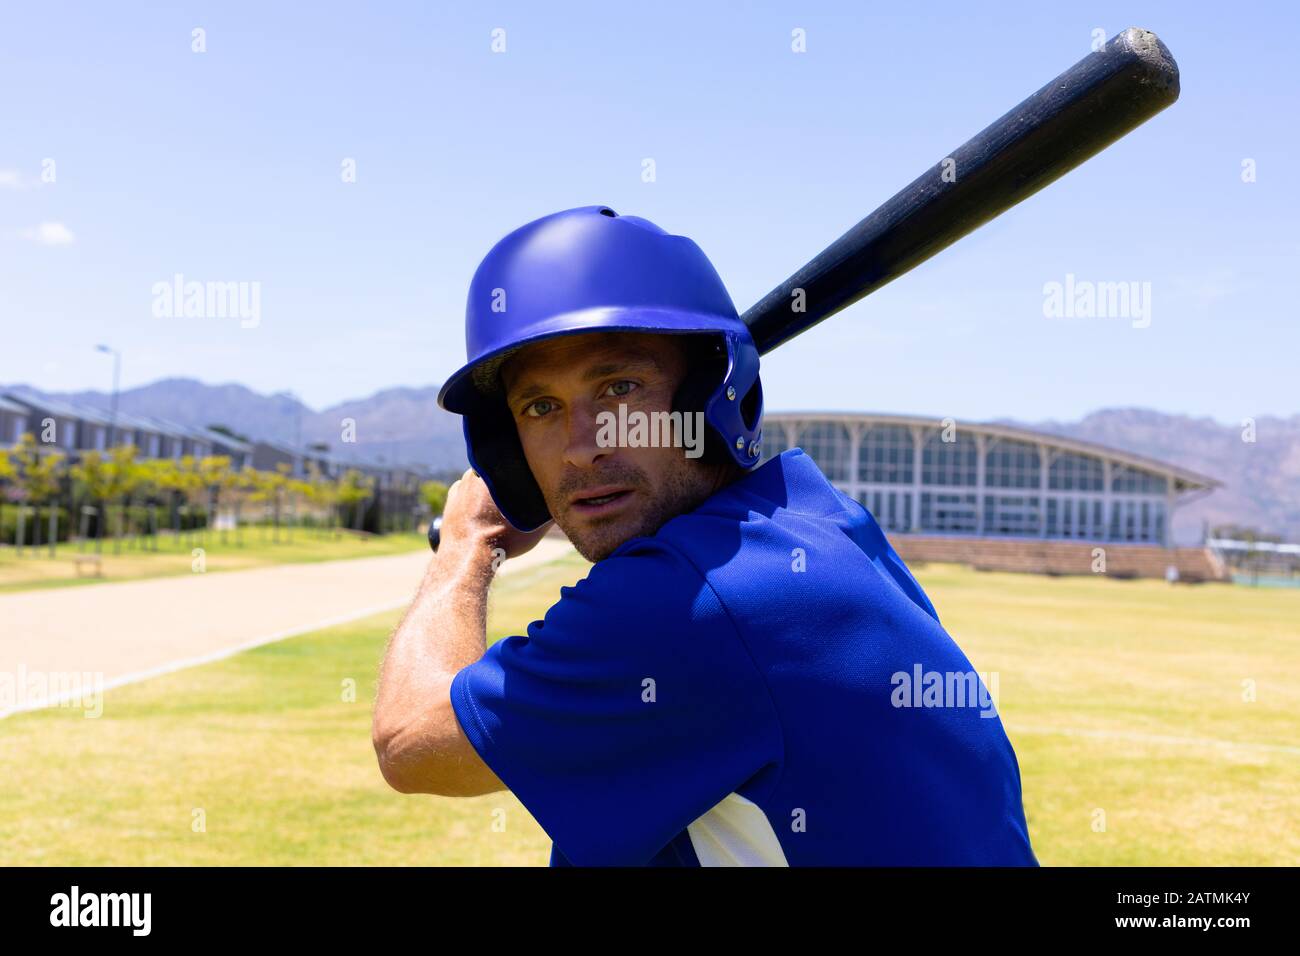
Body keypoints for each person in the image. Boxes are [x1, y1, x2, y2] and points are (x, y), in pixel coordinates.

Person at [372, 205, 1038, 866]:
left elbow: (409, 740)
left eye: (619, 387)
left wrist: (468, 543)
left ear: (709, 398)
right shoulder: (817, 521)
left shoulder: (688, 600)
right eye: (541, 408)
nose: (581, 449)